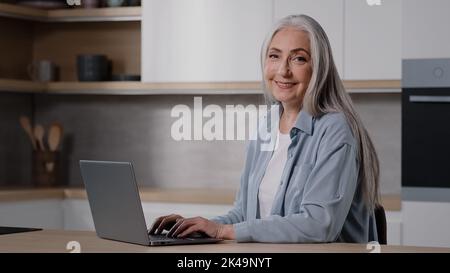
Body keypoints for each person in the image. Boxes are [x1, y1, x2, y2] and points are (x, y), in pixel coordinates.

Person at [149, 14, 380, 243]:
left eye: (298, 59)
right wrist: (200, 228)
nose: (283, 70)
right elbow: (243, 215)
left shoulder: (335, 128)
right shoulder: (267, 125)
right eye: (274, 56)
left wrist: (223, 231)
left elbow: (319, 224)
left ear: (319, 67)